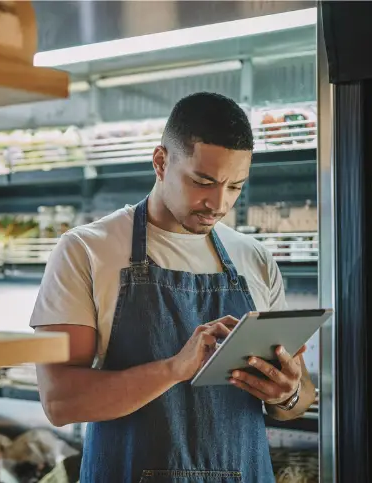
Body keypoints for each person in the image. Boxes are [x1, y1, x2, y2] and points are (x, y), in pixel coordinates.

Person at [30, 92, 315, 482]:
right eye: (203, 181)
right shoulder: (86, 250)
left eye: (235, 187)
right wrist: (174, 369)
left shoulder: (255, 259)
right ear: (161, 162)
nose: (218, 203)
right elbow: (59, 400)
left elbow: (301, 399)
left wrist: (287, 394)